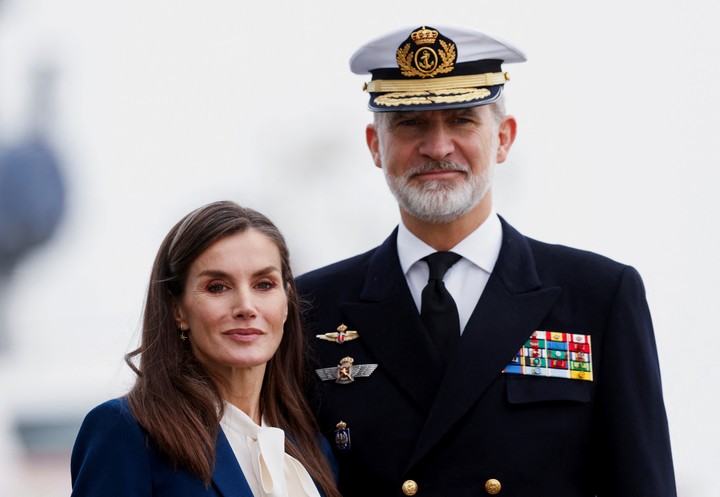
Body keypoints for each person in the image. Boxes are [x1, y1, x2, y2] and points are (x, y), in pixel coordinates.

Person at [297, 25, 676, 497]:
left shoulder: (599, 296)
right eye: (411, 123)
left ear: (503, 138)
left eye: (462, 120)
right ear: (376, 145)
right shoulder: (310, 304)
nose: (437, 147)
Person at [71, 201, 341, 497]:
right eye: (217, 287)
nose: (246, 307)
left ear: (287, 301)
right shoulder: (126, 433)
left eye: (264, 284)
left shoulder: (314, 448)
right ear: (178, 310)